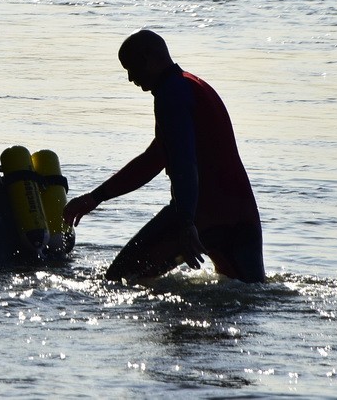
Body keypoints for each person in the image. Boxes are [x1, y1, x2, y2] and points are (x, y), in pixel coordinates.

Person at [63, 30, 265, 283]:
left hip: (202, 214)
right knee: (251, 296)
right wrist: (96, 197)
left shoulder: (171, 93)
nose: (130, 78)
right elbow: (154, 159)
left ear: (148, 58)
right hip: (242, 215)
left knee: (118, 280)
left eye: (131, 67)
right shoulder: (193, 86)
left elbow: (184, 162)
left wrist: (185, 222)